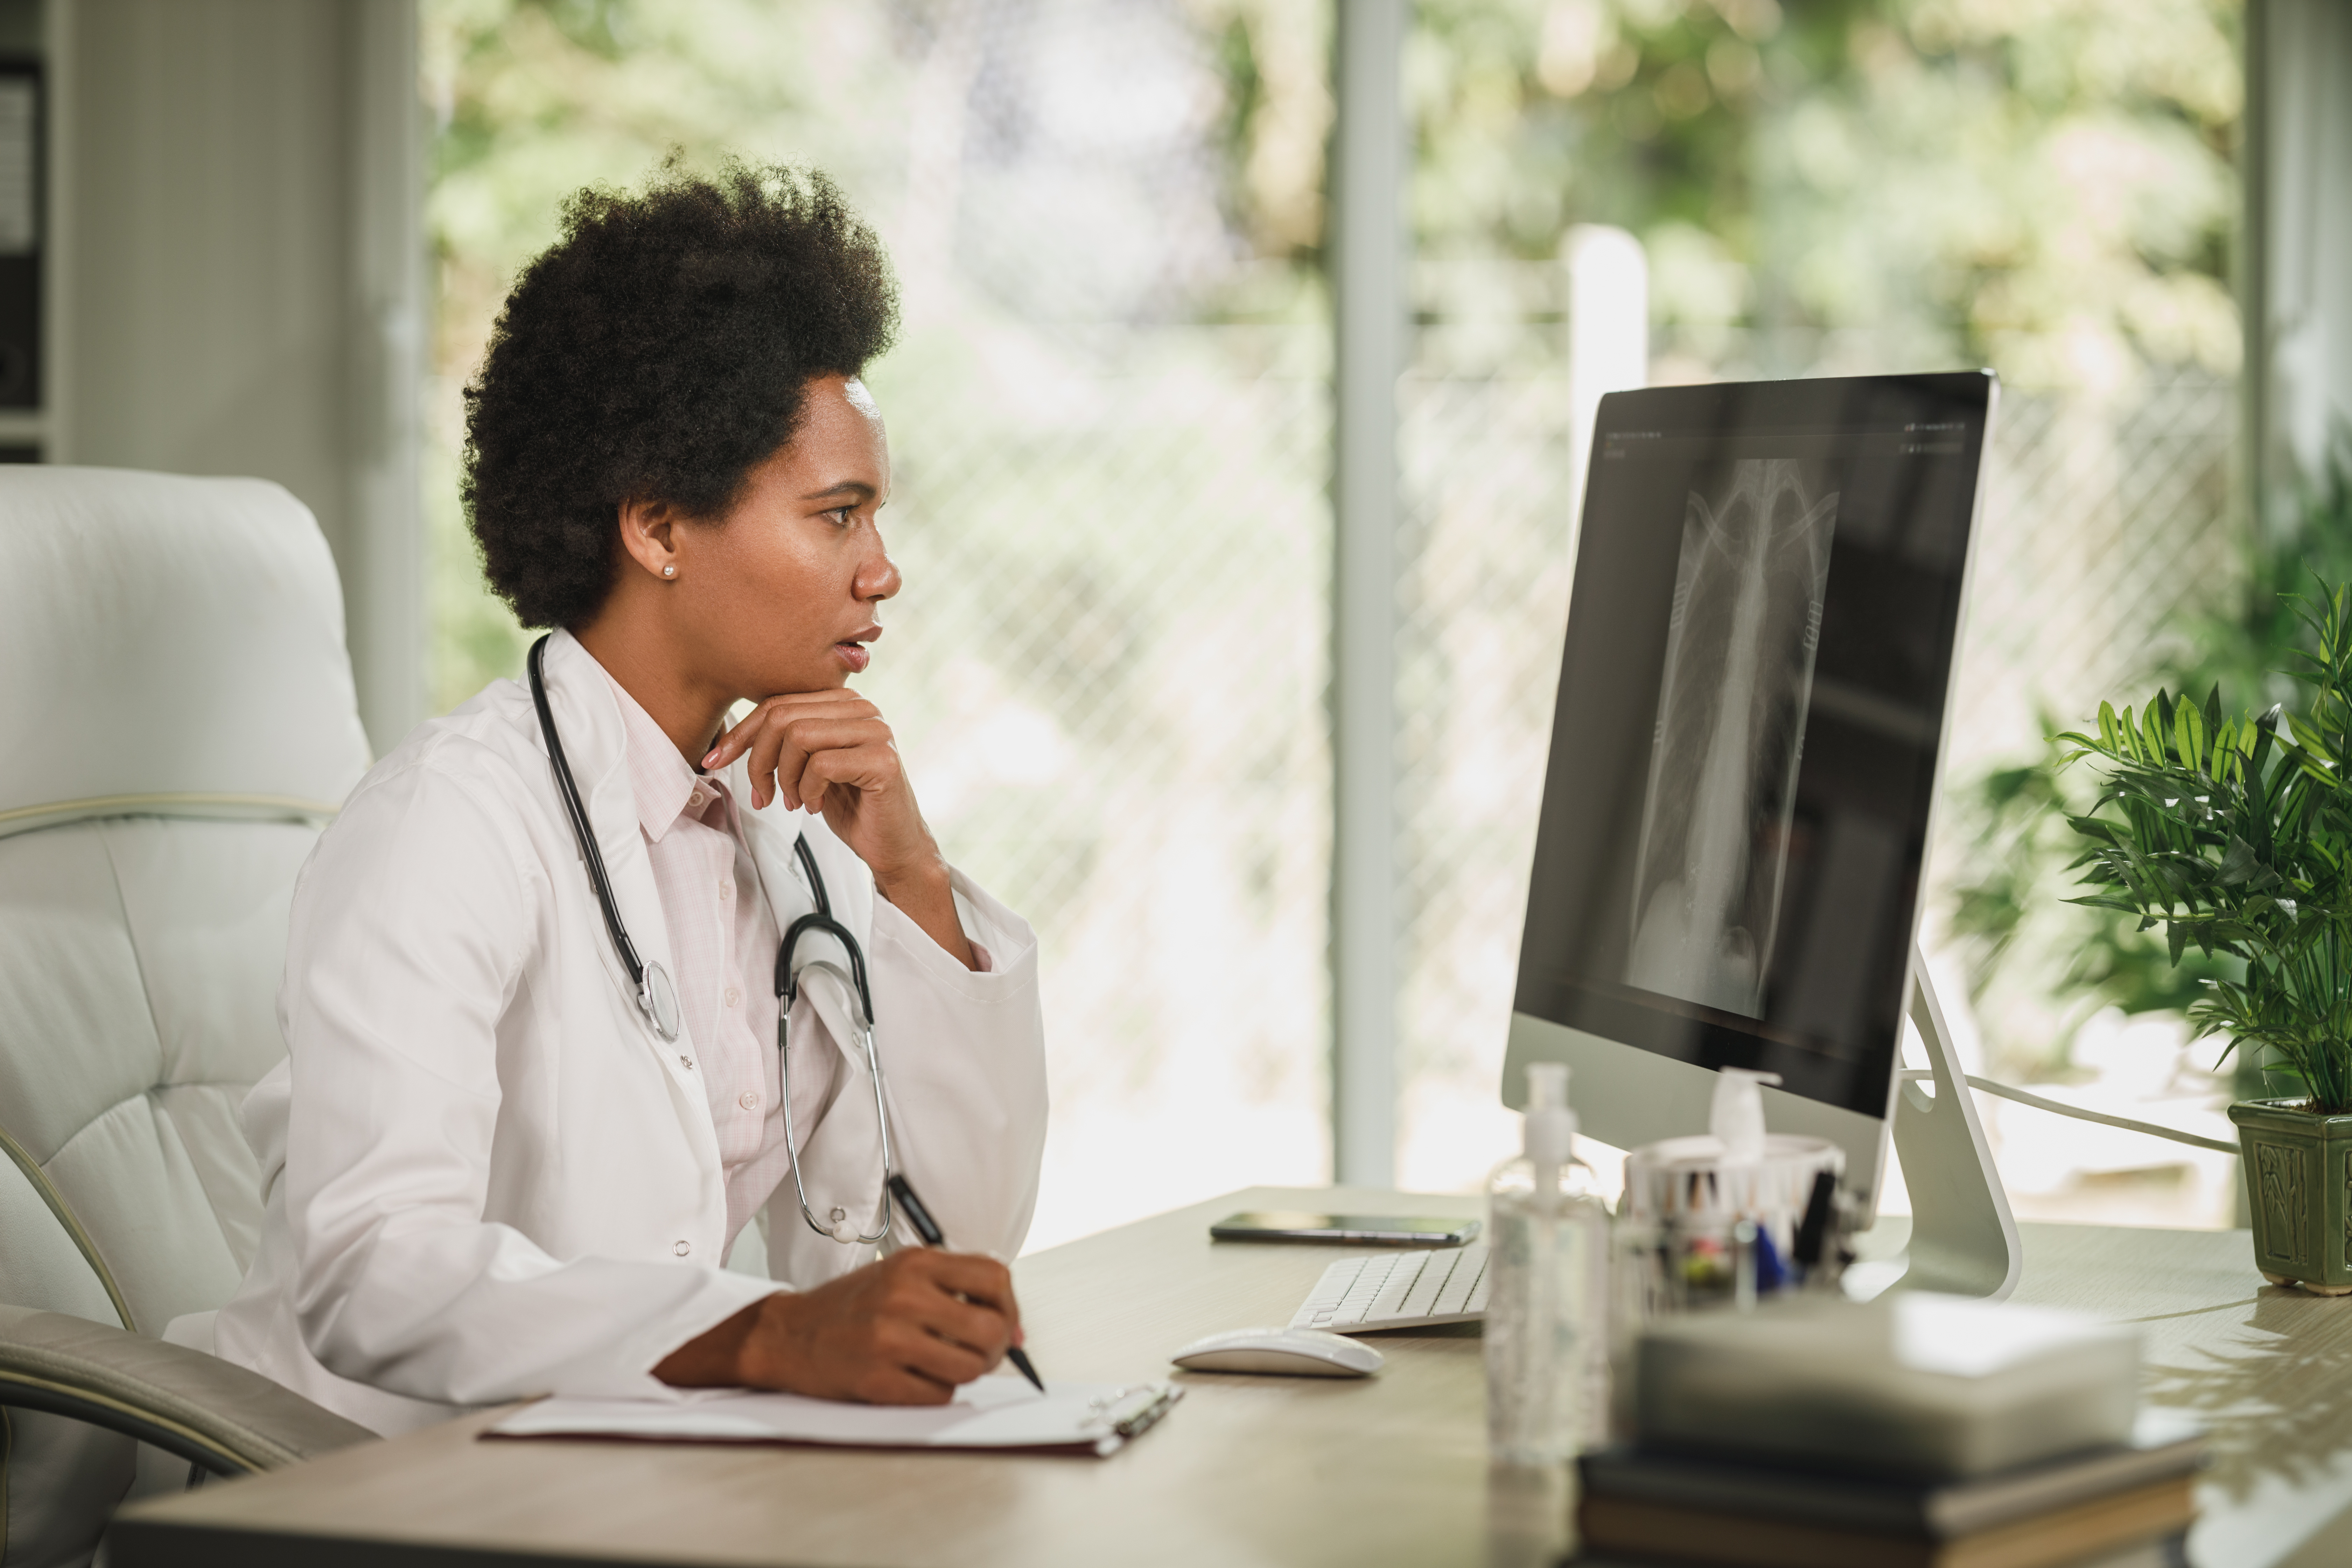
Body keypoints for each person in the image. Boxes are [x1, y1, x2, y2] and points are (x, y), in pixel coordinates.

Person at [204, 163, 1048, 1436]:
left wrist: (915, 888)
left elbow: (922, 1268)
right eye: (837, 517)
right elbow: (370, 1273)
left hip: (619, 1472)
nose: (883, 572)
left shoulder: (794, 831)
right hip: (356, 1484)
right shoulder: (450, 823)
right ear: (657, 526)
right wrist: (758, 1333)